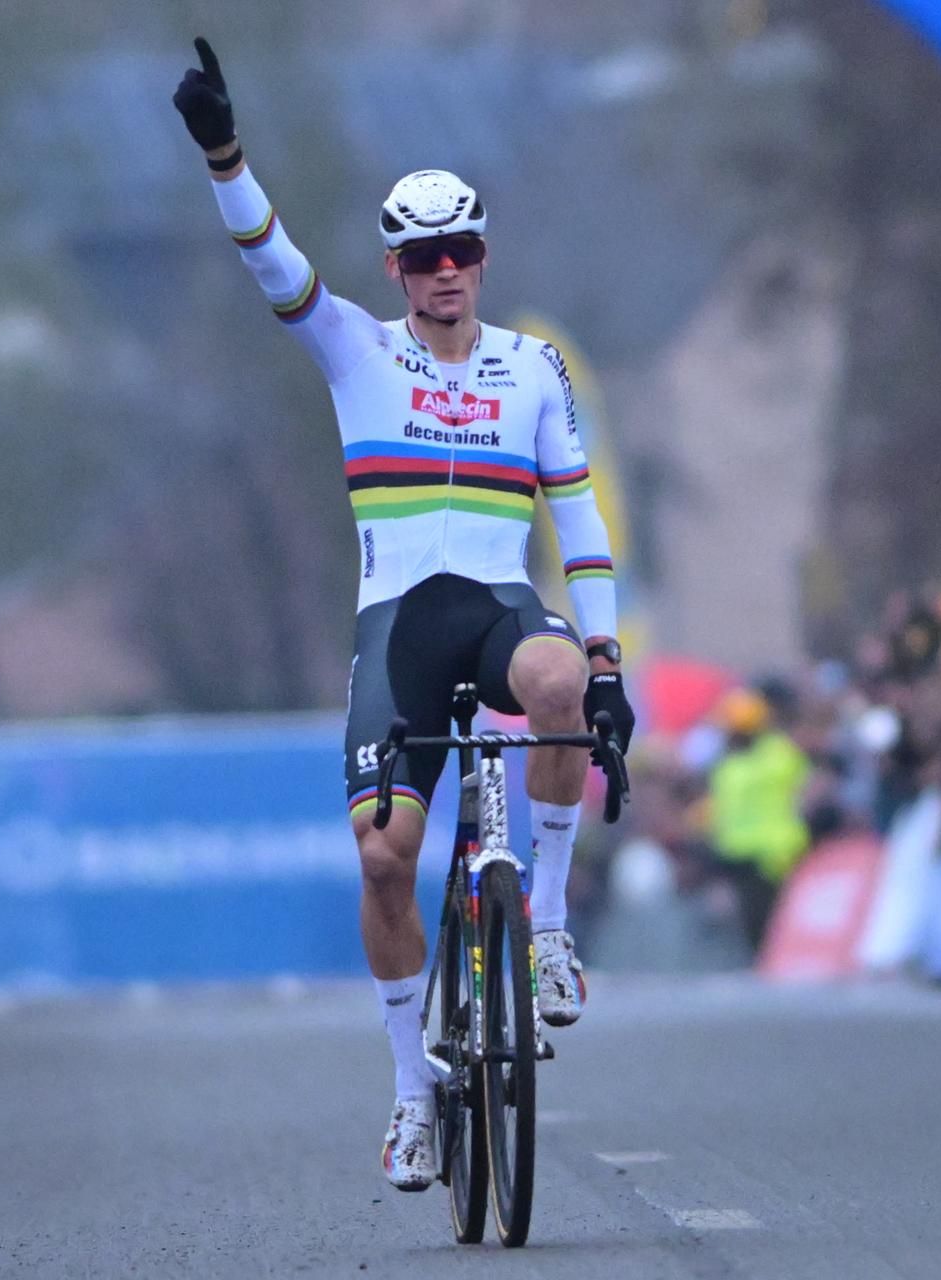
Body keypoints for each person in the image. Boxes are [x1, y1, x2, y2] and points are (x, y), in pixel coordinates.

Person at [173, 38, 636, 1192]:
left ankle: (550, 922)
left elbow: (578, 524)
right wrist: (226, 156)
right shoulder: (356, 351)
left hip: (496, 607)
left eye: (461, 253)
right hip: (396, 629)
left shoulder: (533, 368)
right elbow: (271, 263)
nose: (445, 272)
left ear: (483, 259)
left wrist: (609, 654)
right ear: (396, 269)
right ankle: (410, 1094)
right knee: (385, 859)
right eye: (423, 256)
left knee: (560, 686)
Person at [705, 689, 811, 954]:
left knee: (772, 919)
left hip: (775, 855)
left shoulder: (777, 754)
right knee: (754, 922)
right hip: (740, 856)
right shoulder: (731, 764)